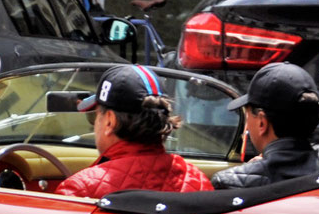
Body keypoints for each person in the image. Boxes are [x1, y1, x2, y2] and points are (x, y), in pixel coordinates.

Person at [211, 63, 319, 189]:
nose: (246, 129)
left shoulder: (230, 183)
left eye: (247, 116)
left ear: (262, 123)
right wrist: (302, 152)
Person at [54, 66, 213, 198]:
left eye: (95, 116)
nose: (95, 124)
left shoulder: (80, 190)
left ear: (110, 121)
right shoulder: (197, 181)